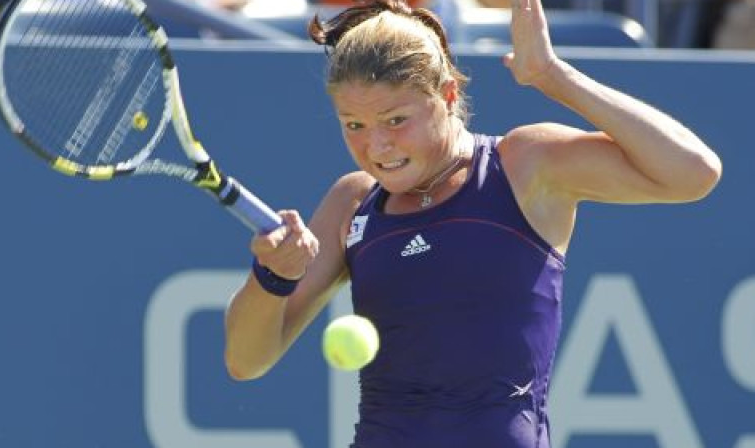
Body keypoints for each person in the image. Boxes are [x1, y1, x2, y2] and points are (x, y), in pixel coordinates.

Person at [224, 0, 722, 446]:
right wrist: (272, 277)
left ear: (444, 96)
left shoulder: (525, 165)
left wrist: (552, 76)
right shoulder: (351, 201)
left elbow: (694, 172)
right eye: (354, 125)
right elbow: (246, 361)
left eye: (396, 120)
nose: (377, 147)